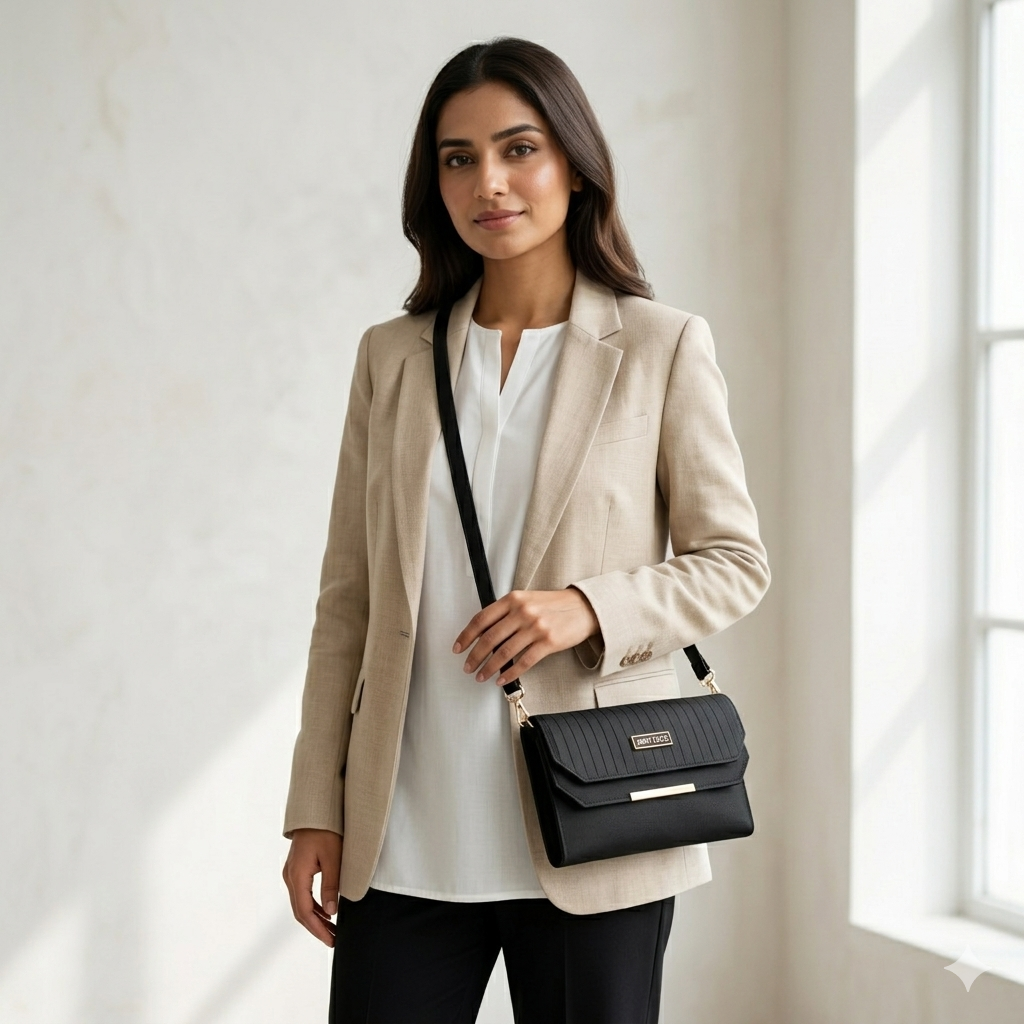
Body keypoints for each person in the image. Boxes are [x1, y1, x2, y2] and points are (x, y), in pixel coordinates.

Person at [282, 37, 770, 1024]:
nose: (488, 183)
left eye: (518, 149)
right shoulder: (391, 358)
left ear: (575, 165)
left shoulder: (660, 345)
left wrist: (587, 607)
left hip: (598, 817)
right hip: (405, 831)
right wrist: (314, 807)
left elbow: (733, 563)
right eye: (458, 158)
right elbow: (348, 600)